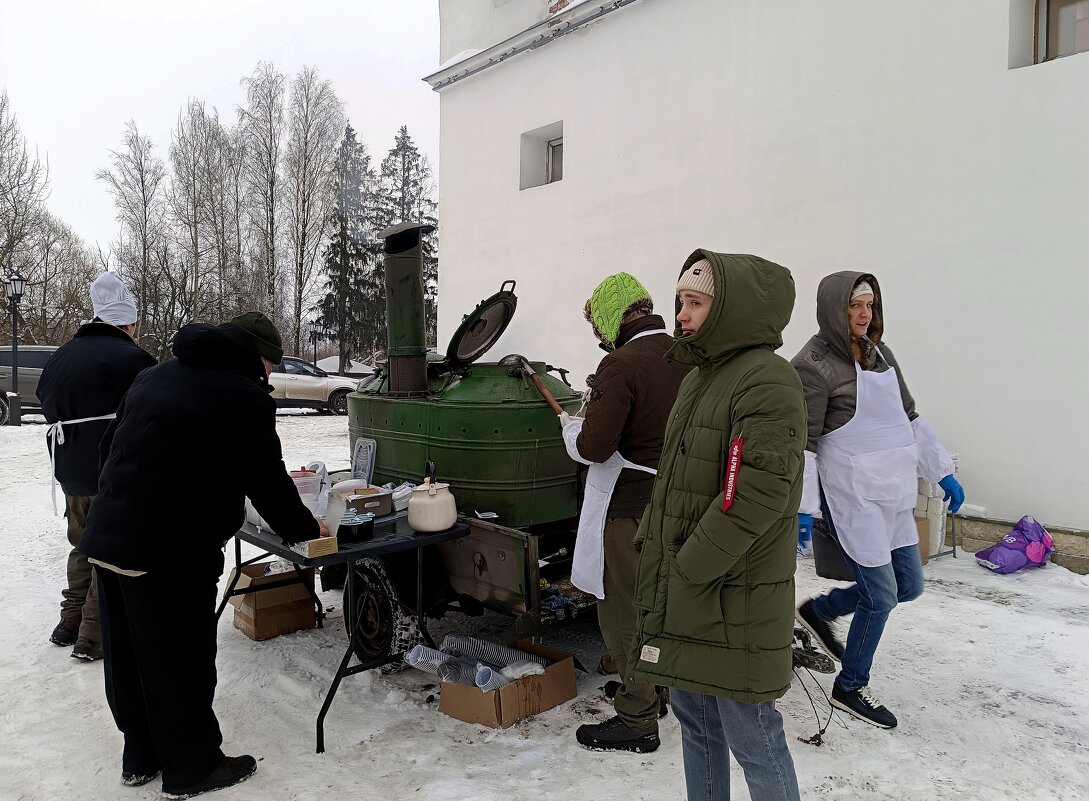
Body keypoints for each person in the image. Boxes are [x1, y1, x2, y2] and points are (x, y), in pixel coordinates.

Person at [79, 312, 329, 798]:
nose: (271, 378)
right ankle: (192, 765)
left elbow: (110, 448)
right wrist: (305, 529)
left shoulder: (154, 375)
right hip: (168, 546)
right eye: (271, 367)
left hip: (108, 535)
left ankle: (140, 754)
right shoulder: (242, 395)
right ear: (258, 358)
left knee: (130, 654)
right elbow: (267, 480)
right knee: (180, 657)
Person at [629, 253, 805, 801]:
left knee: (751, 731)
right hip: (693, 590)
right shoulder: (702, 376)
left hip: (735, 596)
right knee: (695, 719)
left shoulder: (768, 380)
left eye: (697, 302)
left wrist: (690, 565)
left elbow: (755, 488)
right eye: (681, 301)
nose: (682, 313)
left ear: (730, 308)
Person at [792, 272, 965, 730]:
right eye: (854, 306)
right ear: (834, 309)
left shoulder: (880, 354)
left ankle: (819, 610)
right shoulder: (812, 364)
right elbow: (803, 443)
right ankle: (850, 685)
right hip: (853, 496)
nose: (864, 314)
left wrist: (941, 471)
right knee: (882, 594)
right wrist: (804, 508)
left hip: (891, 491)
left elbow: (909, 417)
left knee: (909, 585)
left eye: (869, 304)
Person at [559, 272, 690, 753]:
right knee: (663, 604)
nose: (600, 338)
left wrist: (573, 431)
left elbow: (596, 447)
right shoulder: (683, 355)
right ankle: (659, 688)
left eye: (600, 327)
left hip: (630, 509)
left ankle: (637, 718)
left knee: (625, 612)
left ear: (614, 316)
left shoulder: (620, 365)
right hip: (676, 504)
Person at [37, 271, 156, 661]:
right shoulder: (132, 359)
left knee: (82, 543)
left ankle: (68, 621)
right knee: (108, 550)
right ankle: (91, 634)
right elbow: (152, 412)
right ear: (127, 323)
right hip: (112, 470)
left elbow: (45, 401)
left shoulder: (62, 355)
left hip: (70, 469)